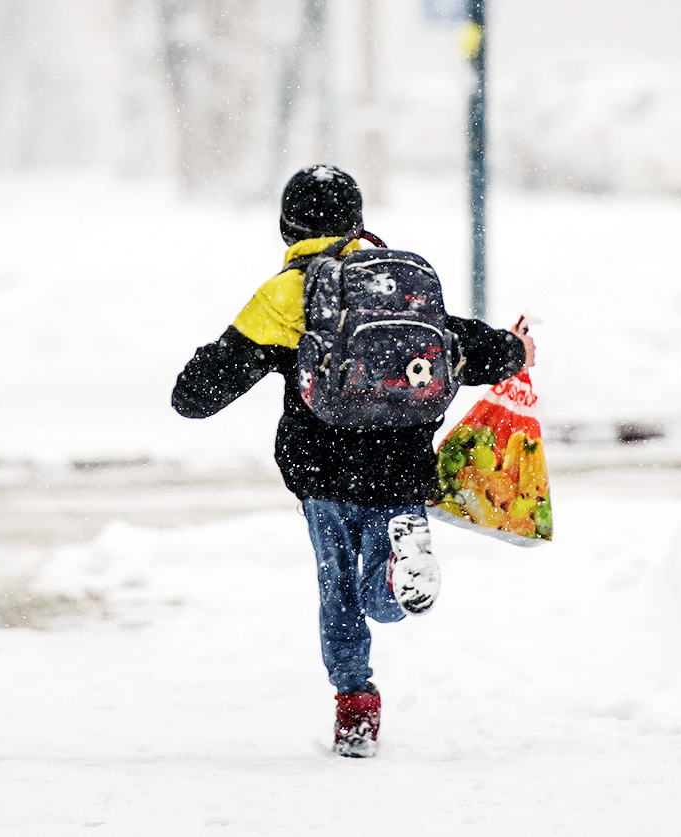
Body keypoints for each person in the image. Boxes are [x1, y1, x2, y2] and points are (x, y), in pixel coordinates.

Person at [171, 164, 535, 757]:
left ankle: (356, 710)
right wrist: (516, 348)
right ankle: (396, 569)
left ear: (288, 226)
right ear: (359, 220)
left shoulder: (287, 294)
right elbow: (464, 343)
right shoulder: (401, 282)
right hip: (403, 463)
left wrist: (211, 361)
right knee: (378, 596)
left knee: (337, 591)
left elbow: (196, 396)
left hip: (325, 469)